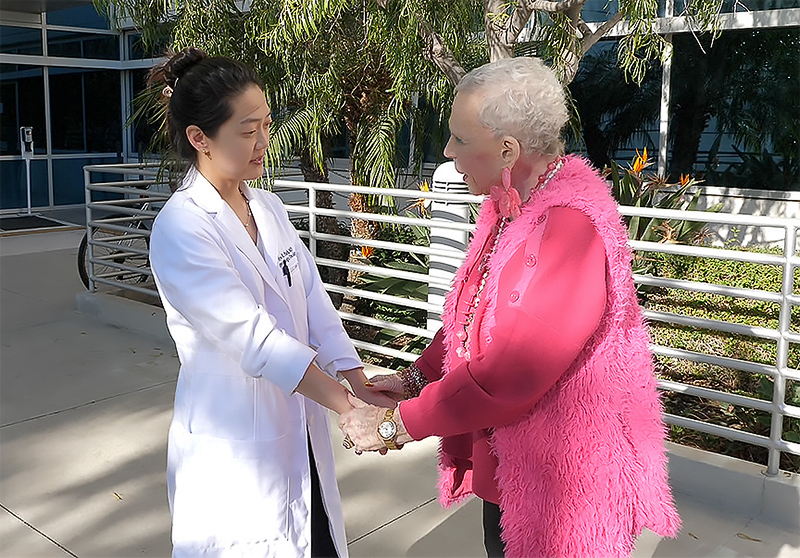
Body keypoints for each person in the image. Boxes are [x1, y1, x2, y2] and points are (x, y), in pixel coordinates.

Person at [338, 56, 681, 557]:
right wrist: (416, 378)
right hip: (514, 466)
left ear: (507, 149)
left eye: (459, 139)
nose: (449, 153)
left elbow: (510, 372)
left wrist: (395, 426)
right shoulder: (511, 205)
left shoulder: (568, 227)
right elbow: (470, 313)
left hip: (559, 484)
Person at [147, 47, 392, 558]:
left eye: (267, 125)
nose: (263, 144)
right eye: (247, 130)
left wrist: (356, 377)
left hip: (297, 425)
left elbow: (309, 295)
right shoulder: (182, 227)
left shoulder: (268, 206)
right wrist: (349, 408)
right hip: (234, 441)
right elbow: (254, 340)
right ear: (200, 139)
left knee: (315, 536)